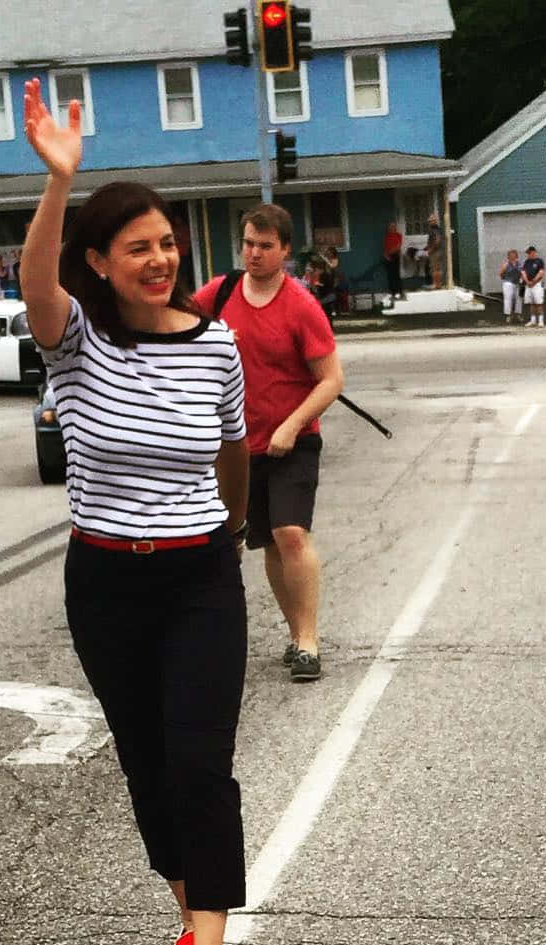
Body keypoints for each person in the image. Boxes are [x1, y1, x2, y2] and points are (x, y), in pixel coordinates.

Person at [20, 77, 251, 945]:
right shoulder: (74, 342)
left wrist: (230, 534)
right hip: (105, 580)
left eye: (166, 244)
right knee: (147, 763)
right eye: (137, 249)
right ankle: (186, 905)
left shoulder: (218, 344)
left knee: (201, 761)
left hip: (200, 571)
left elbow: (233, 448)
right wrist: (58, 184)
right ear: (101, 263)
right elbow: (36, 281)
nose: (159, 260)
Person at [194, 202, 343, 684]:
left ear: (284, 250)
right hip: (236, 445)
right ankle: (293, 631)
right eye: (247, 244)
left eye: (265, 246)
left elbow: (330, 380)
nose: (253, 254)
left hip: (292, 442)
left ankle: (308, 642)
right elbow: (174, 327)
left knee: (290, 534)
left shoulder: (301, 305)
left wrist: (292, 425)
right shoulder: (220, 294)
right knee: (263, 545)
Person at [521, 246, 546, 326]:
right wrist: (527, 281)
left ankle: (541, 320)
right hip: (528, 284)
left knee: (539, 302)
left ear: (534, 252)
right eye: (528, 253)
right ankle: (533, 320)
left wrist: (534, 281)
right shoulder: (527, 262)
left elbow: (541, 272)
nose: (528, 255)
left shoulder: (539, 261)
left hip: (537, 284)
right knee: (531, 303)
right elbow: (523, 272)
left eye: (530, 253)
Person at [498, 249, 522, 325]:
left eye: (514, 255)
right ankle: (508, 315)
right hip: (508, 283)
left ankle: (518, 314)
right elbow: (501, 273)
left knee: (519, 298)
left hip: (518, 283)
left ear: (516, 256)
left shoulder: (520, 264)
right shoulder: (506, 264)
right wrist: (505, 279)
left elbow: (523, 272)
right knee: (508, 299)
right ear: (508, 257)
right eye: (511, 255)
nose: (513, 256)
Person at [382, 222, 403, 302]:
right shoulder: (387, 236)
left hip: (395, 256)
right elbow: (385, 247)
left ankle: (398, 292)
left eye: (393, 226)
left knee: (396, 274)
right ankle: (392, 292)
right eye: (390, 227)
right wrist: (386, 255)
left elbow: (398, 246)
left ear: (395, 227)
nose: (391, 228)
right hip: (388, 257)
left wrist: (389, 253)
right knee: (390, 275)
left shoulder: (398, 235)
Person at [425, 212, 445, 289]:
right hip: (438, 251)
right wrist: (426, 247)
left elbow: (437, 240)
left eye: (431, 221)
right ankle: (438, 285)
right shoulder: (437, 229)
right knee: (437, 268)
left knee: (435, 269)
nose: (429, 222)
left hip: (435, 252)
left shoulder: (434, 229)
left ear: (434, 221)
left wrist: (431, 250)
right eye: (429, 221)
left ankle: (436, 285)